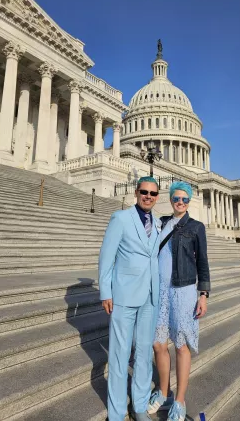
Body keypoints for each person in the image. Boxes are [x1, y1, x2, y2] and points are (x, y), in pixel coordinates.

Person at [99, 176, 161, 421]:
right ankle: (116, 413)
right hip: (124, 294)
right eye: (144, 192)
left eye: (153, 193)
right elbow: (107, 257)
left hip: (150, 296)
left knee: (144, 354)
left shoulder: (157, 223)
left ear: (157, 197)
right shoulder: (121, 218)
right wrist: (106, 291)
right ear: (136, 192)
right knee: (119, 354)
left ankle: (140, 405)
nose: (148, 196)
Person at [147, 181, 210, 420]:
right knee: (158, 343)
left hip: (183, 291)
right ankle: (163, 392)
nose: (180, 202)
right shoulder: (161, 222)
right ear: (171, 199)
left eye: (184, 199)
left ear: (189, 201)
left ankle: (180, 401)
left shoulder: (196, 227)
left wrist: (203, 294)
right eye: (176, 199)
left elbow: (203, 262)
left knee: (181, 345)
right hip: (160, 290)